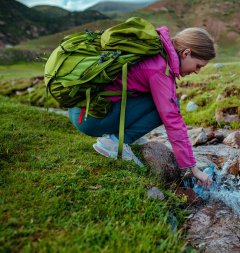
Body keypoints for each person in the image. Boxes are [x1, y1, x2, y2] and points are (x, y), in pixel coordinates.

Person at [68, 25, 215, 189]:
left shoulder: (156, 51)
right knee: (171, 107)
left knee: (163, 100)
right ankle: (114, 142)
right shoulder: (160, 68)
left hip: (81, 110)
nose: (197, 71)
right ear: (186, 53)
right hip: (90, 119)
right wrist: (192, 167)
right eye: (198, 65)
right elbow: (172, 119)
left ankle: (128, 135)